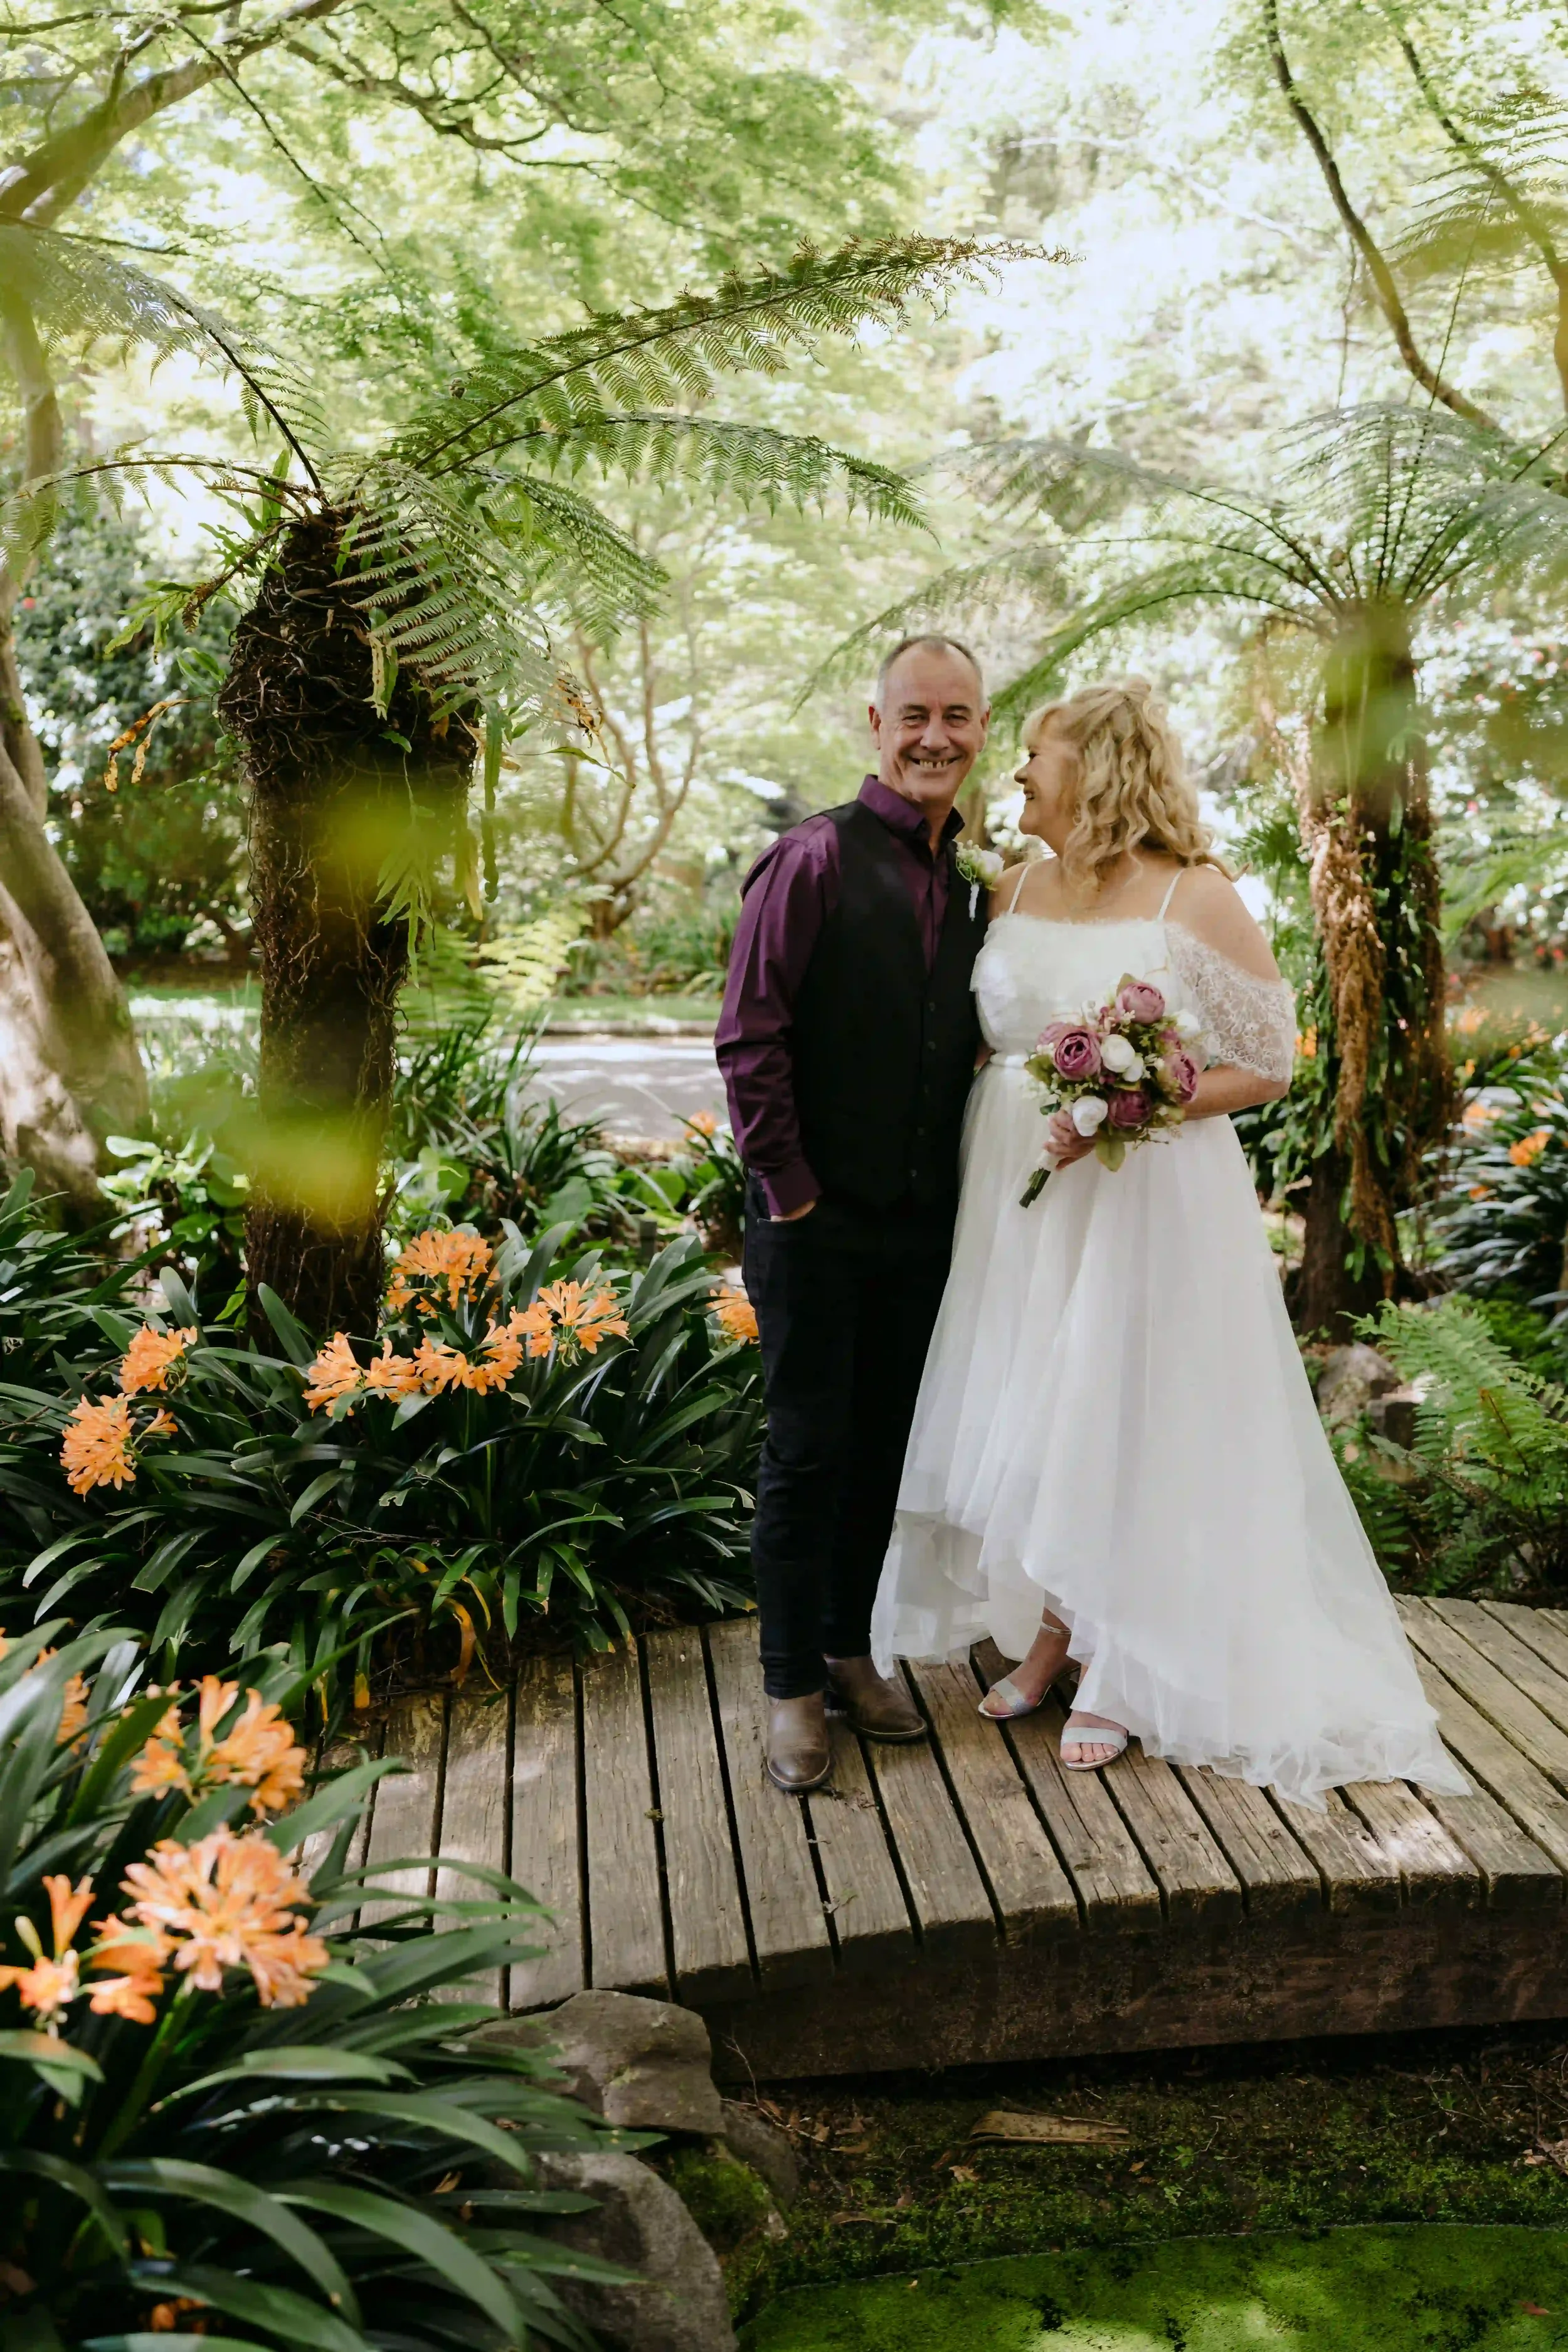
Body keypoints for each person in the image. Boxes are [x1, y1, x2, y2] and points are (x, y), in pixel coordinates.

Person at [870, 678, 1466, 1806]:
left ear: (1094, 768)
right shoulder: (1010, 887)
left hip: (1140, 1192)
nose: (1016, 771)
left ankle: (1122, 1659)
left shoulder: (1196, 894)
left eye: (1035, 753)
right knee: (1037, 1406)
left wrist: (1134, 1102)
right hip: (1011, 1193)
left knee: (1124, 1407)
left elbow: (1268, 1062)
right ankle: (1053, 1634)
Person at [715, 635, 992, 1793]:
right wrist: (794, 1193)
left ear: (981, 729)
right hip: (812, 1220)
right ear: (876, 725)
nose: (936, 736)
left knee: (882, 1448)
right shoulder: (812, 858)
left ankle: (848, 1649)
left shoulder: (975, 880)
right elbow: (750, 1039)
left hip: (921, 1223)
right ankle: (789, 1685)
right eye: (915, 714)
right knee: (807, 1450)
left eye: (958, 716)